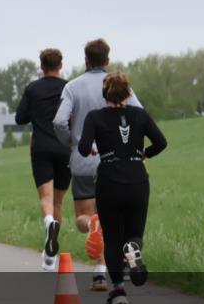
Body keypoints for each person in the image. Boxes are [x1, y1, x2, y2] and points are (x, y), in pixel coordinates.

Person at [53, 38, 143, 291]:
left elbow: (59, 121)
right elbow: (139, 113)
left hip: (82, 159)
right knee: (113, 222)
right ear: (107, 60)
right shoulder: (116, 85)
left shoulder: (72, 87)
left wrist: (72, 142)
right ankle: (102, 271)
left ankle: (95, 236)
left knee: (85, 217)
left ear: (85, 60)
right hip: (115, 160)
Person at [78, 72, 166, 304]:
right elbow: (162, 142)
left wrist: (94, 150)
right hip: (138, 179)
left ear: (105, 93)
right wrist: (145, 153)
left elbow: (83, 147)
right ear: (128, 93)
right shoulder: (140, 115)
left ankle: (118, 291)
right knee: (134, 232)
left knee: (113, 237)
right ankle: (134, 248)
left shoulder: (95, 117)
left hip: (109, 180)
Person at [15, 48, 71, 271]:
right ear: (61, 65)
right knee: (58, 201)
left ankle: (49, 225)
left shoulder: (32, 89)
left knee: (46, 199)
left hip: (40, 148)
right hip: (64, 148)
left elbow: (20, 118)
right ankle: (52, 255)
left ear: (41, 66)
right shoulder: (69, 88)